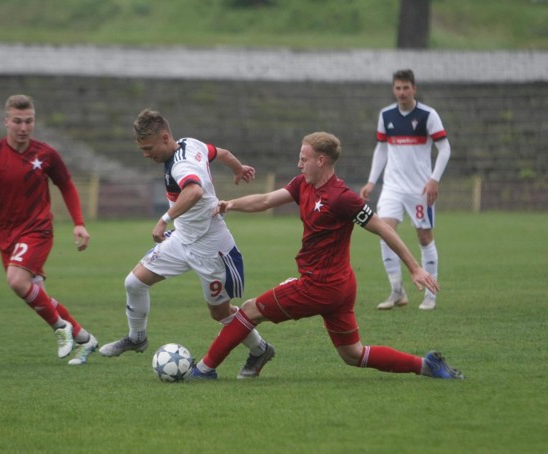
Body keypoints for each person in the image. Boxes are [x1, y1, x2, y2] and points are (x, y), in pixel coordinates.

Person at [190, 132, 464, 380]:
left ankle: (203, 369)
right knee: (352, 354)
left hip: (318, 286)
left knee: (249, 310)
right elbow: (265, 200)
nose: (299, 164)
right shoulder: (303, 184)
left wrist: (415, 267)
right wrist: (231, 204)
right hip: (340, 286)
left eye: (303, 158)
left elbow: (382, 227)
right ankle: (426, 366)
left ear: (321, 160)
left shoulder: (342, 197)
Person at [99, 109, 275, 379]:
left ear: (165, 137)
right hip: (182, 239)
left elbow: (194, 191)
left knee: (220, 313)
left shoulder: (181, 166)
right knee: (134, 283)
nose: (146, 154)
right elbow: (222, 153)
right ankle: (137, 338)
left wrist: (164, 219)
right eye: (142, 149)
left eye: (149, 148)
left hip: (211, 247)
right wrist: (238, 168)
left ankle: (260, 349)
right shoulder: (190, 143)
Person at [0, 94, 98, 365]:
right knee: (35, 293)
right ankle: (85, 340)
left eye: (29, 121)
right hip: (6, 235)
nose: (23, 127)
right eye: (18, 121)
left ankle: (61, 328)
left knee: (16, 281)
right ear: (6, 121)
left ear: (34, 122)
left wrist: (79, 222)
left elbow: (66, 185)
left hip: (38, 229)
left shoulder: (45, 154)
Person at [360, 69, 451, 311]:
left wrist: (434, 179)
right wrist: (371, 181)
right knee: (384, 232)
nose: (401, 92)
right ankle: (397, 291)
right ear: (393, 89)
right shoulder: (386, 115)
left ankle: (430, 294)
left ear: (414, 89)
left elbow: (445, 149)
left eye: (405, 88)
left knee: (424, 237)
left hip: (419, 189)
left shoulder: (427, 115)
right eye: (398, 88)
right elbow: (381, 149)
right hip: (392, 186)